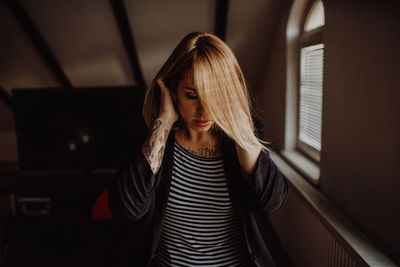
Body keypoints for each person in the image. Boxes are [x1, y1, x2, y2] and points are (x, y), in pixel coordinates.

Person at [108, 31, 288, 267]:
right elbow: (128, 208)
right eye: (192, 95)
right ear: (173, 91)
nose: (204, 111)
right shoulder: (153, 134)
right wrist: (163, 123)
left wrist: (239, 129)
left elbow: (271, 203)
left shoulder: (243, 133)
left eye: (214, 96)